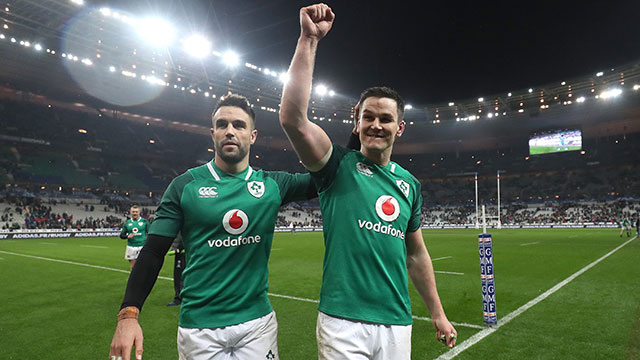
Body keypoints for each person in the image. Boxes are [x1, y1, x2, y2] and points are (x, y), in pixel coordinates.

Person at [279, 4, 457, 358]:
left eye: (386, 119)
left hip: (396, 321)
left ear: (399, 128)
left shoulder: (409, 185)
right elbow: (293, 120)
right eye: (369, 116)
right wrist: (308, 40)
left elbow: (417, 253)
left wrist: (438, 313)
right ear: (356, 122)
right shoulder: (335, 166)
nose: (377, 124)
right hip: (343, 321)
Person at [109, 94, 319, 360]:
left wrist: (359, 134)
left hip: (257, 323)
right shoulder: (185, 186)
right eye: (222, 124)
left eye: (239, 125)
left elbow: (326, 175)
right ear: (213, 134)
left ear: (253, 135)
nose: (230, 131)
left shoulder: (272, 184)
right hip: (199, 328)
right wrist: (128, 314)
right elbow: (152, 252)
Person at [119, 205, 150, 270]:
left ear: (139, 212)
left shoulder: (144, 221)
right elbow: (121, 235)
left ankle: (142, 279)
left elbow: (150, 233)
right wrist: (127, 236)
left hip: (142, 246)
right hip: (131, 246)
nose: (135, 213)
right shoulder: (127, 223)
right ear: (131, 212)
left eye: (136, 212)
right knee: (133, 267)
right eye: (133, 212)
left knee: (142, 266)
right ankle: (135, 280)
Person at [166, 232, 185, 307]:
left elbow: (179, 236)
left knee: (179, 275)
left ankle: (179, 298)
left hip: (182, 252)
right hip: (190, 251)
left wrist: (174, 248)